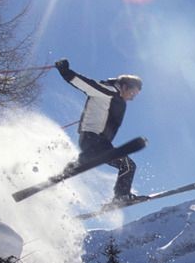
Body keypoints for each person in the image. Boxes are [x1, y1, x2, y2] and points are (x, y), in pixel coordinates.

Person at [54, 58, 145, 203]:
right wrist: (66, 71)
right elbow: (86, 84)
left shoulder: (115, 99)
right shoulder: (108, 91)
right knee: (127, 165)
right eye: (132, 93)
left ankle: (67, 170)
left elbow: (103, 112)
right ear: (125, 86)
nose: (132, 98)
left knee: (90, 159)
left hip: (95, 142)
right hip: (94, 139)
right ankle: (121, 197)